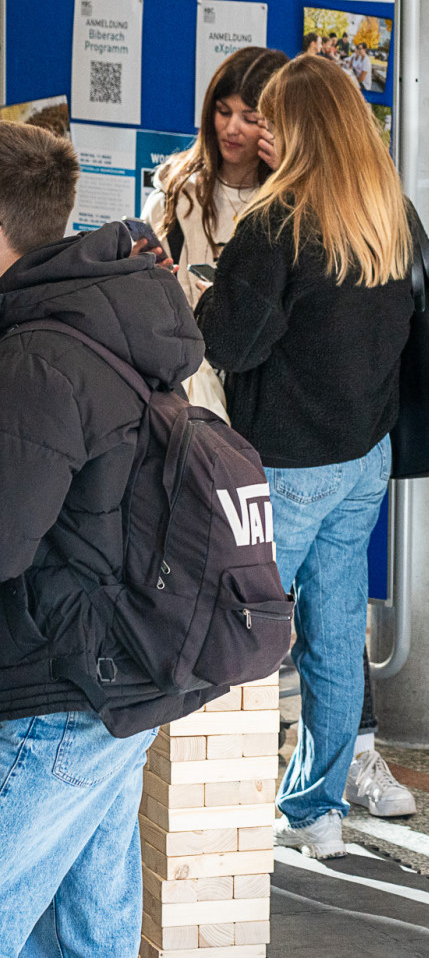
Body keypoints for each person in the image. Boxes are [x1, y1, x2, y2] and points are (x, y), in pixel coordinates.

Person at [195, 55, 416, 856]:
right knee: (332, 632)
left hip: (286, 461)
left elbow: (230, 344)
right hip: (364, 454)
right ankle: (317, 814)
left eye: (269, 117)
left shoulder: (273, 221)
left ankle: (215, 801)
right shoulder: (386, 209)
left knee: (240, 630)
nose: (256, 130)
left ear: (296, 126)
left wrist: (210, 290)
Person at [0, 122, 203, 954]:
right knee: (88, 925)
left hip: (61, 683)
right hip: (119, 670)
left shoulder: (38, 356)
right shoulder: (95, 316)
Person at [142, 46, 288, 309]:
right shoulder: (172, 196)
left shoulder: (294, 203)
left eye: (250, 118)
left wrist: (290, 176)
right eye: (223, 111)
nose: (232, 129)